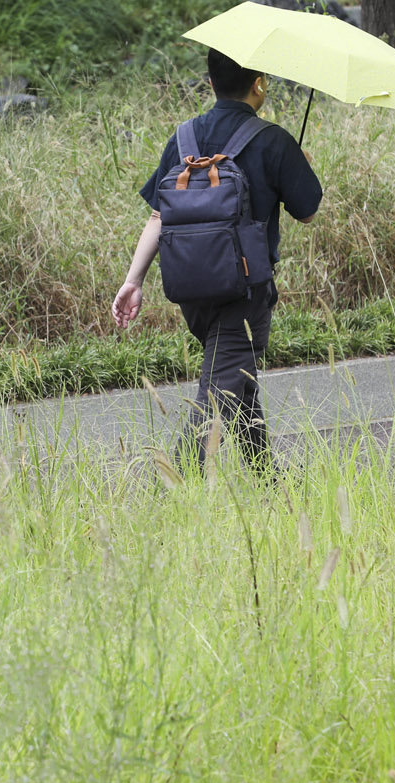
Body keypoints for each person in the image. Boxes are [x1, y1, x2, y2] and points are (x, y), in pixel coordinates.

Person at [113, 49, 323, 471]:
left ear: (209, 83)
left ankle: (270, 487)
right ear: (259, 83)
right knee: (216, 397)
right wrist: (295, 164)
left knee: (236, 384)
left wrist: (134, 279)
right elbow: (308, 211)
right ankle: (170, 496)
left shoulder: (183, 137)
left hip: (191, 290)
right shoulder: (274, 139)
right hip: (244, 294)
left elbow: (158, 215)